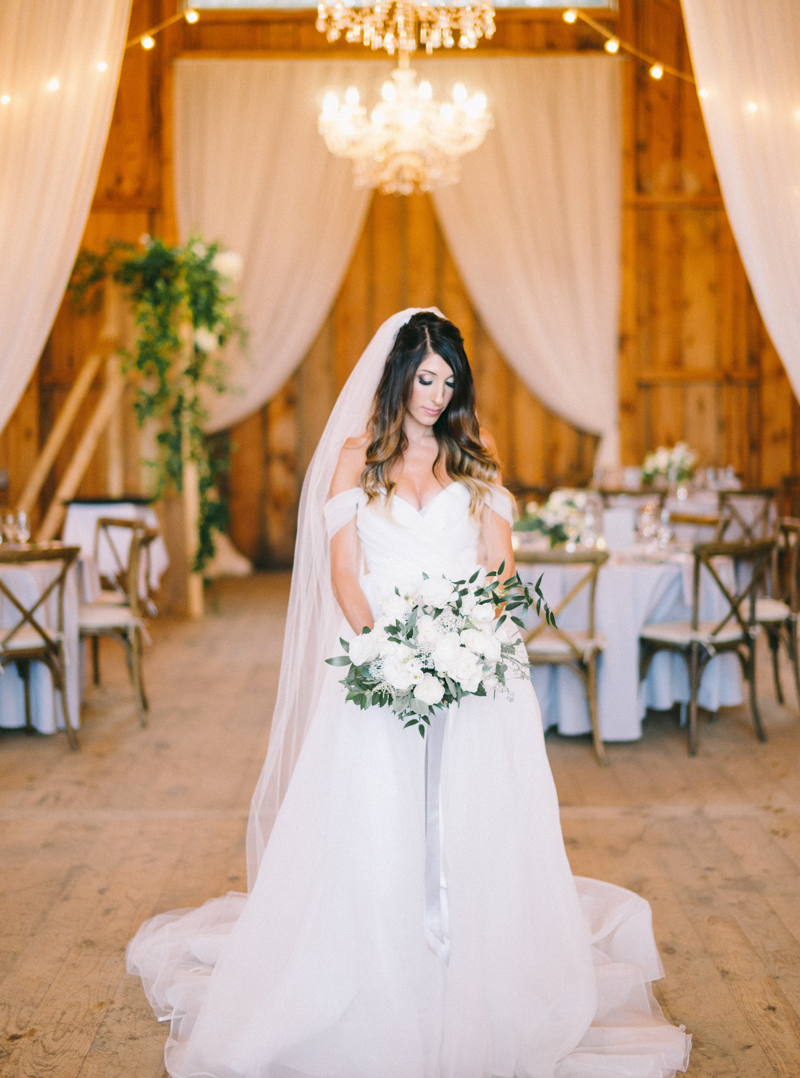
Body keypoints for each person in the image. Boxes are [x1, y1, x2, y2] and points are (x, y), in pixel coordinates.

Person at [128, 309, 691, 1078]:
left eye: (449, 380)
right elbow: (344, 573)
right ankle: (373, 974)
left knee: (477, 823)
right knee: (375, 826)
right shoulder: (357, 458)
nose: (437, 393)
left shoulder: (475, 458)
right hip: (380, 671)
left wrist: (470, 647)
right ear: (399, 375)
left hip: (474, 675)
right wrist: (385, 652)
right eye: (426, 378)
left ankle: (475, 975)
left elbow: (498, 572)